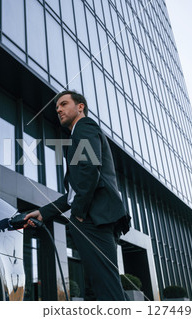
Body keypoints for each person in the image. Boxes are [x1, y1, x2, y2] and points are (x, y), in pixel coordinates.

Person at [25, 90, 131, 301]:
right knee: (96, 289)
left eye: (64, 104)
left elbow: (89, 168)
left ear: (80, 106)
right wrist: (43, 213)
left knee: (107, 289)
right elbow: (73, 192)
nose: (59, 110)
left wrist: (80, 213)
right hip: (94, 217)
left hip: (94, 218)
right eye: (57, 108)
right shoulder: (76, 135)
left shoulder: (85, 127)